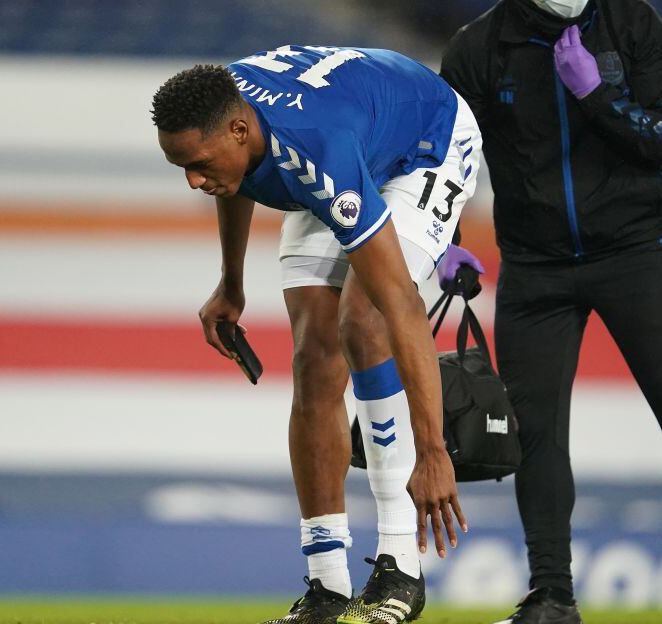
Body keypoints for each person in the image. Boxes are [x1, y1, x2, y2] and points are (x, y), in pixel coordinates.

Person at [440, 1, 662, 623]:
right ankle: (552, 598)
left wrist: (595, 94)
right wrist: (448, 238)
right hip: (535, 269)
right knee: (534, 435)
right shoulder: (475, 49)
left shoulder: (635, 25)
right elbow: (446, 157)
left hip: (636, 255)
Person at [152, 46, 482, 624]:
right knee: (313, 357)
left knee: (365, 318)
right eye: (181, 167)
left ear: (237, 127)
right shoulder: (234, 121)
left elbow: (402, 305)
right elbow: (237, 181)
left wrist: (433, 453)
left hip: (425, 141)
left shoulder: (316, 151)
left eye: (199, 163)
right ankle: (327, 590)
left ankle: (400, 566)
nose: (193, 180)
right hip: (347, 134)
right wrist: (232, 284)